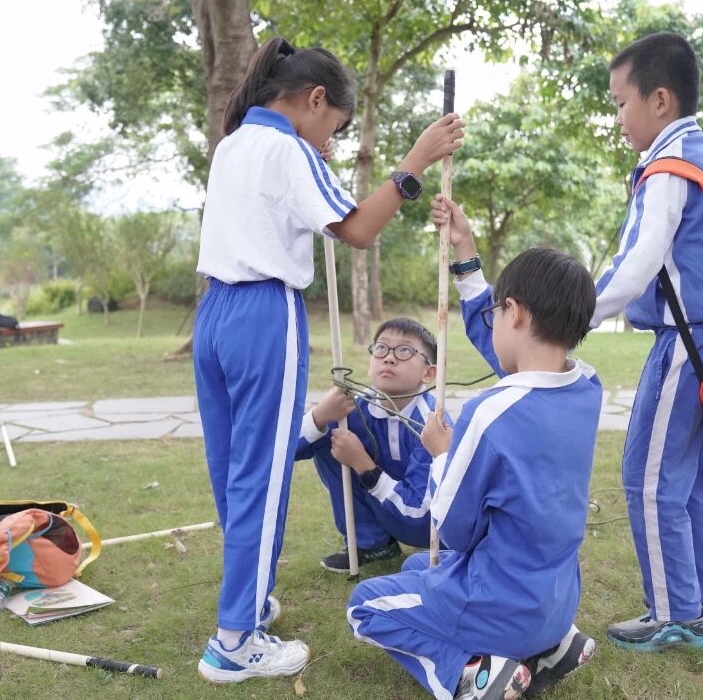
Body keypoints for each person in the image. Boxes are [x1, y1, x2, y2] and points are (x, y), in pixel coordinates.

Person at [192, 35, 464, 683]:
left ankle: (246, 601)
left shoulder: (232, 144)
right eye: (335, 127)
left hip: (213, 315)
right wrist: (416, 161)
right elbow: (358, 231)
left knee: (234, 469)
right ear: (314, 100)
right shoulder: (286, 146)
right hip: (263, 315)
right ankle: (235, 639)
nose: (332, 143)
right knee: (261, 474)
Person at [345, 196, 600, 700]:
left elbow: (455, 529)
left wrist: (442, 452)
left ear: (516, 313)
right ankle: (552, 648)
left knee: (365, 604)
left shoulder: (488, 413)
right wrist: (464, 252)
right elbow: (523, 364)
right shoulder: (585, 388)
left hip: (497, 604)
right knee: (418, 567)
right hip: (553, 599)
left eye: (498, 311)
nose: (493, 321)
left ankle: (471, 675)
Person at [590, 31, 703, 652]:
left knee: (648, 479)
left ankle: (674, 614)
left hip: (687, 344)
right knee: (690, 483)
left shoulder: (668, 166)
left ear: (659, 99)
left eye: (621, 102)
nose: (618, 117)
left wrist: (571, 319)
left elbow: (635, 264)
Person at [296, 317, 450, 573]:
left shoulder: (433, 425)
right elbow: (285, 453)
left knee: (350, 448)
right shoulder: (352, 408)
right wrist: (319, 416)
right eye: (381, 348)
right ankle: (372, 543)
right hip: (388, 506)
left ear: (429, 372)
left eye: (405, 351)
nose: (389, 358)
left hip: (429, 528)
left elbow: (418, 517)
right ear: (370, 364)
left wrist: (364, 466)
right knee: (329, 437)